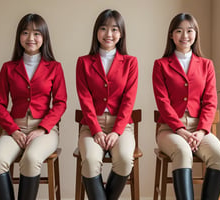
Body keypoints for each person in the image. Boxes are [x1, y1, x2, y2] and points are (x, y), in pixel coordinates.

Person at [0, 13, 67, 200]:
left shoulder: (54, 67)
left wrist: (42, 128)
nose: (31, 38)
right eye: (25, 33)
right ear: (19, 37)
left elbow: (60, 103)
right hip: (14, 129)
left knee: (31, 159)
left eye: (36, 33)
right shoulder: (8, 68)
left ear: (44, 37)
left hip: (45, 130)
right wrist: (13, 130)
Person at [152, 13, 220, 200]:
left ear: (196, 34)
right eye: (179, 31)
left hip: (200, 129)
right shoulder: (160, 65)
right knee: (183, 152)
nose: (185, 36)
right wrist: (181, 130)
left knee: (219, 156)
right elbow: (163, 102)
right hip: (169, 129)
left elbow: (210, 102)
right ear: (171, 35)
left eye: (189, 31)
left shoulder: (206, 65)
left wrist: (202, 131)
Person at [76, 9, 138, 200]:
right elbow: (84, 100)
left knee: (126, 160)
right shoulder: (84, 62)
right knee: (90, 160)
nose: (108, 34)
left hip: (121, 126)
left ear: (121, 33)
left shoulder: (130, 62)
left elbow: (129, 100)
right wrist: (96, 130)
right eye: (103, 28)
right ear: (96, 32)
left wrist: (116, 131)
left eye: (114, 29)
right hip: (91, 126)